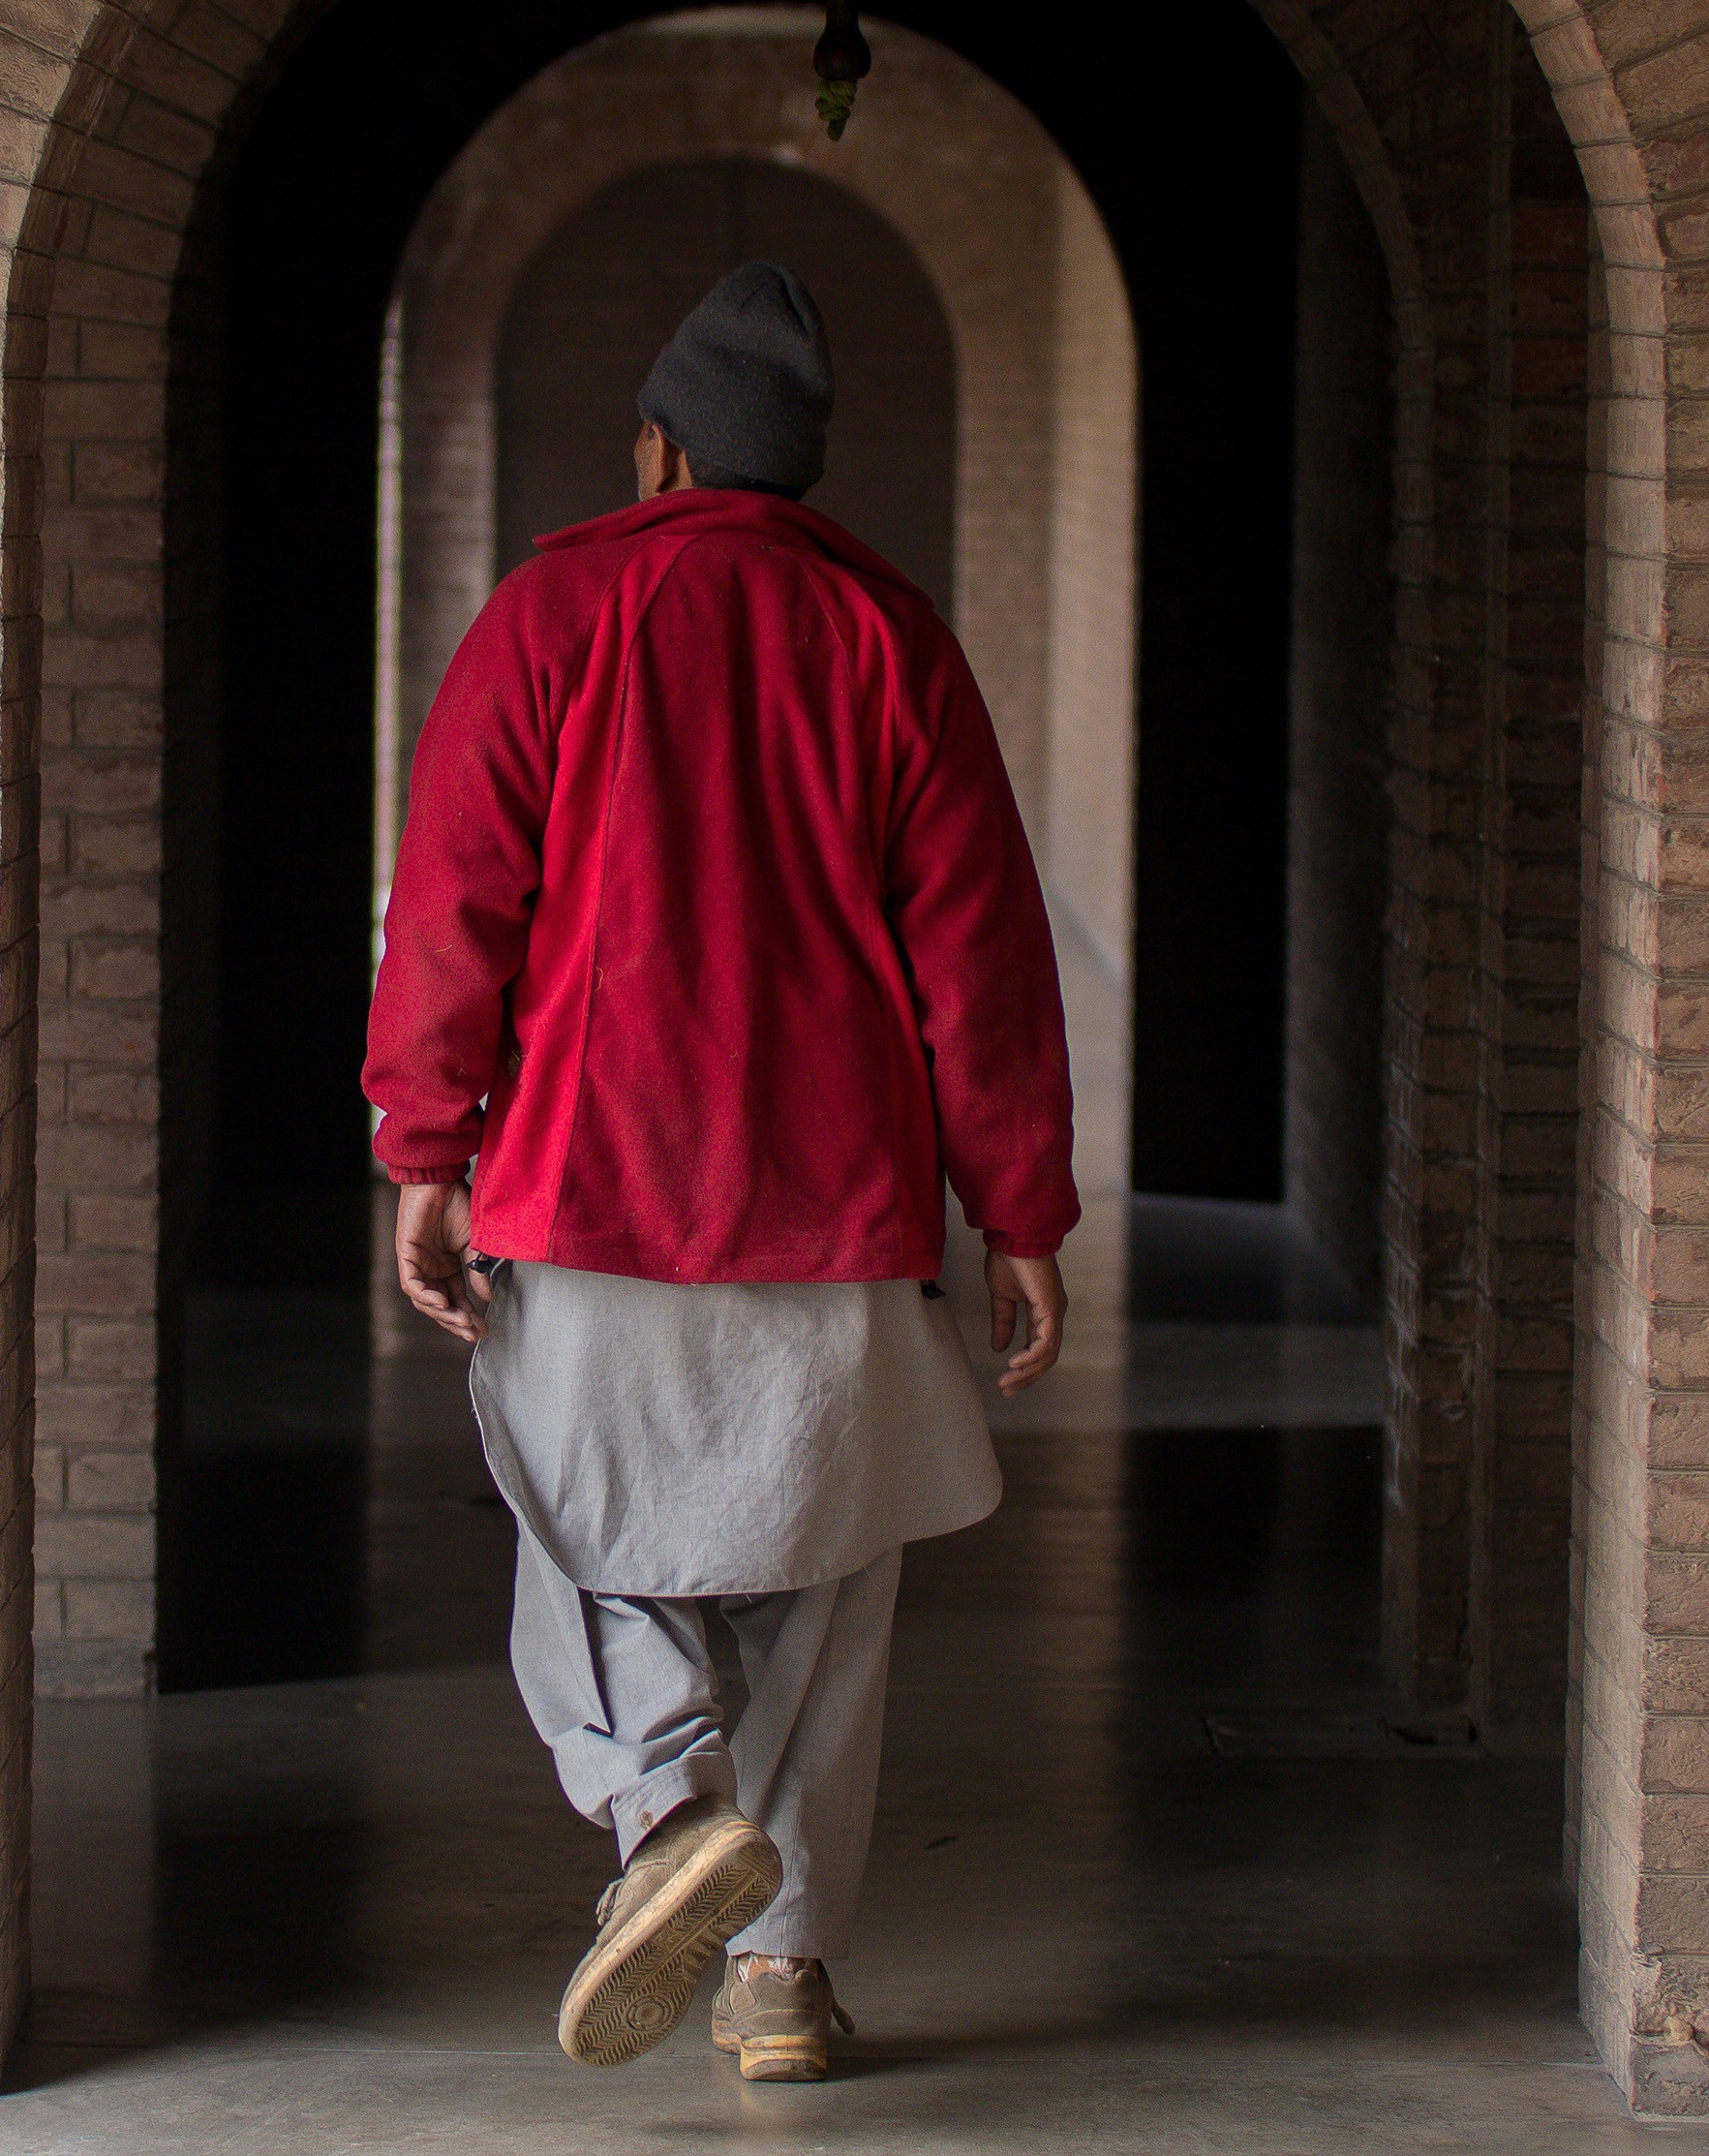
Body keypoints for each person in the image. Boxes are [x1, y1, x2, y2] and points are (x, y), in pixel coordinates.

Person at [362, 261, 1079, 2082]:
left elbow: (454, 901)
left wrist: (424, 1141)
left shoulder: (553, 615)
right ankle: (781, 1978)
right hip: (833, 1206)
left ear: (660, 448)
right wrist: (1021, 1204)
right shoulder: (889, 639)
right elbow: (978, 951)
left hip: (589, 1181)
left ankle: (663, 1807)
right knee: (827, 1589)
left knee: (582, 1526)